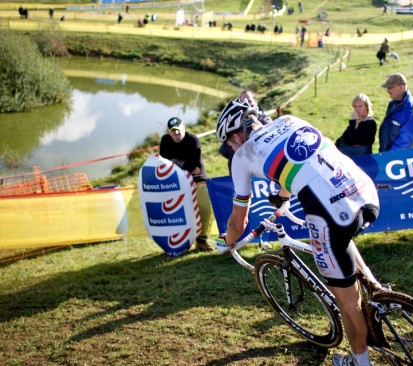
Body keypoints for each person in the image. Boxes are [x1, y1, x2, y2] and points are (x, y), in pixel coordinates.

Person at [214, 99, 380, 366]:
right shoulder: (291, 120)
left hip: (331, 211)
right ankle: (379, 292)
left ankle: (361, 361)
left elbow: (238, 223)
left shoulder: (242, 156)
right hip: (364, 189)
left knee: (347, 303)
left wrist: (228, 242)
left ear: (236, 136)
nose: (231, 149)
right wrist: (282, 196)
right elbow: (300, 163)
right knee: (342, 243)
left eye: (229, 144)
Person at [159, 117, 214, 251]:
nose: (176, 134)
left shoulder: (193, 140)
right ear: (169, 132)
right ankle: (180, 244)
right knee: (178, 212)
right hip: (176, 181)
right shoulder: (165, 140)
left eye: (178, 130)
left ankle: (201, 241)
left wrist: (176, 163)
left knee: (205, 210)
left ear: (184, 127)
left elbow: (195, 167)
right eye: (173, 131)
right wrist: (183, 166)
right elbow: (163, 163)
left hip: (198, 179)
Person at [218, 91, 272, 172]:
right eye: (243, 101)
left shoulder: (265, 119)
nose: (246, 104)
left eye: (249, 101)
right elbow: (223, 149)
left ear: (255, 102)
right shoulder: (237, 124)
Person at [379, 73, 413, 152]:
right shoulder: (392, 104)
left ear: (401, 87)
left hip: (399, 158)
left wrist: (389, 156)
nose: (387, 90)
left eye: (390, 87)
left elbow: (406, 141)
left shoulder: (410, 109)